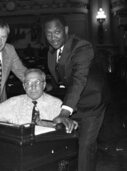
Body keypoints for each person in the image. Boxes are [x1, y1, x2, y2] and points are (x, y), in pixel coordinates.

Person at [44, 15, 109, 171]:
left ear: (66, 30)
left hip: (92, 101)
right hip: (73, 101)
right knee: (70, 141)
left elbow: (79, 79)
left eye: (57, 32)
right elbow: (62, 79)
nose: (53, 37)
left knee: (86, 145)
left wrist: (65, 112)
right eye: (48, 33)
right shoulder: (52, 52)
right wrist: (45, 88)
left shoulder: (82, 47)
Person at [0, 68, 78, 130]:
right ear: (24, 86)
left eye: (37, 83)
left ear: (44, 85)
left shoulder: (56, 104)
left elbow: (66, 126)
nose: (33, 87)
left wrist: (69, 124)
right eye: (29, 83)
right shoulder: (14, 102)